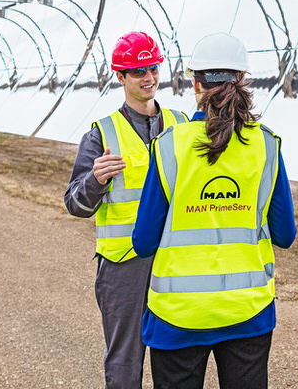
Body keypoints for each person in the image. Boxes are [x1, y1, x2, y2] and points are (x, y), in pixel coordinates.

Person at [133, 32, 296, 389]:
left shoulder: (168, 146)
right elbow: (285, 235)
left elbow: (143, 242)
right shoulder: (266, 144)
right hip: (247, 311)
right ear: (243, 80)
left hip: (177, 315)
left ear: (195, 84)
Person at [65, 31, 190, 389]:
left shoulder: (183, 127)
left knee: (179, 360)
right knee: (125, 360)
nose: (149, 77)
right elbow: (75, 204)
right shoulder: (101, 136)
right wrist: (95, 180)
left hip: (178, 261)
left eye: (153, 67)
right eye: (138, 71)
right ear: (120, 77)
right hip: (125, 266)